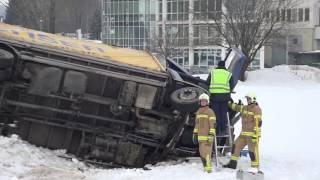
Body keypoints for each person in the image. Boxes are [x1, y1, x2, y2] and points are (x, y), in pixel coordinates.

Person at [223, 92, 262, 173]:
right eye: (247, 99)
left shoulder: (256, 109)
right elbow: (236, 107)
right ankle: (232, 163)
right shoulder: (245, 108)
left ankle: (255, 167)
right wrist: (229, 103)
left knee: (253, 151)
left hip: (252, 135)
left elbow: (258, 123)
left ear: (253, 99)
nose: (248, 100)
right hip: (243, 134)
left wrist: (256, 135)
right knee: (235, 146)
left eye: (249, 99)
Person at [206, 60, 235, 150]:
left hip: (214, 97)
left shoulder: (213, 72)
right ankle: (223, 130)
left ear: (218, 65)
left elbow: (207, 83)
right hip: (225, 97)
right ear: (224, 66)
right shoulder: (228, 74)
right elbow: (232, 85)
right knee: (223, 114)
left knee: (216, 114)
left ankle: (217, 130)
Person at [193, 93, 216, 173]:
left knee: (207, 154)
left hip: (207, 137)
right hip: (200, 137)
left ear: (207, 102)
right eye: (202, 101)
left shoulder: (210, 111)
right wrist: (195, 134)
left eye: (204, 101)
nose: (203, 102)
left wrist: (211, 135)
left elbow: (212, 125)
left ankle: (209, 169)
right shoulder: (198, 112)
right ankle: (205, 168)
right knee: (202, 153)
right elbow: (197, 124)